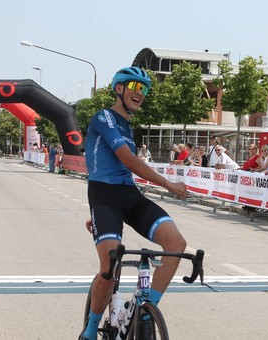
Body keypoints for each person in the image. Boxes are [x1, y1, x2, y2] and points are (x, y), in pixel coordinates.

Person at [80, 66, 188, 340]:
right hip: (104, 195)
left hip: (129, 194)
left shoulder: (127, 125)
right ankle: (91, 331)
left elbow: (126, 168)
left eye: (145, 90)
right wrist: (169, 185)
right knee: (109, 268)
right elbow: (129, 160)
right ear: (119, 88)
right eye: (135, 87)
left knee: (176, 244)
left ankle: (144, 310)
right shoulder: (104, 116)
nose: (141, 94)